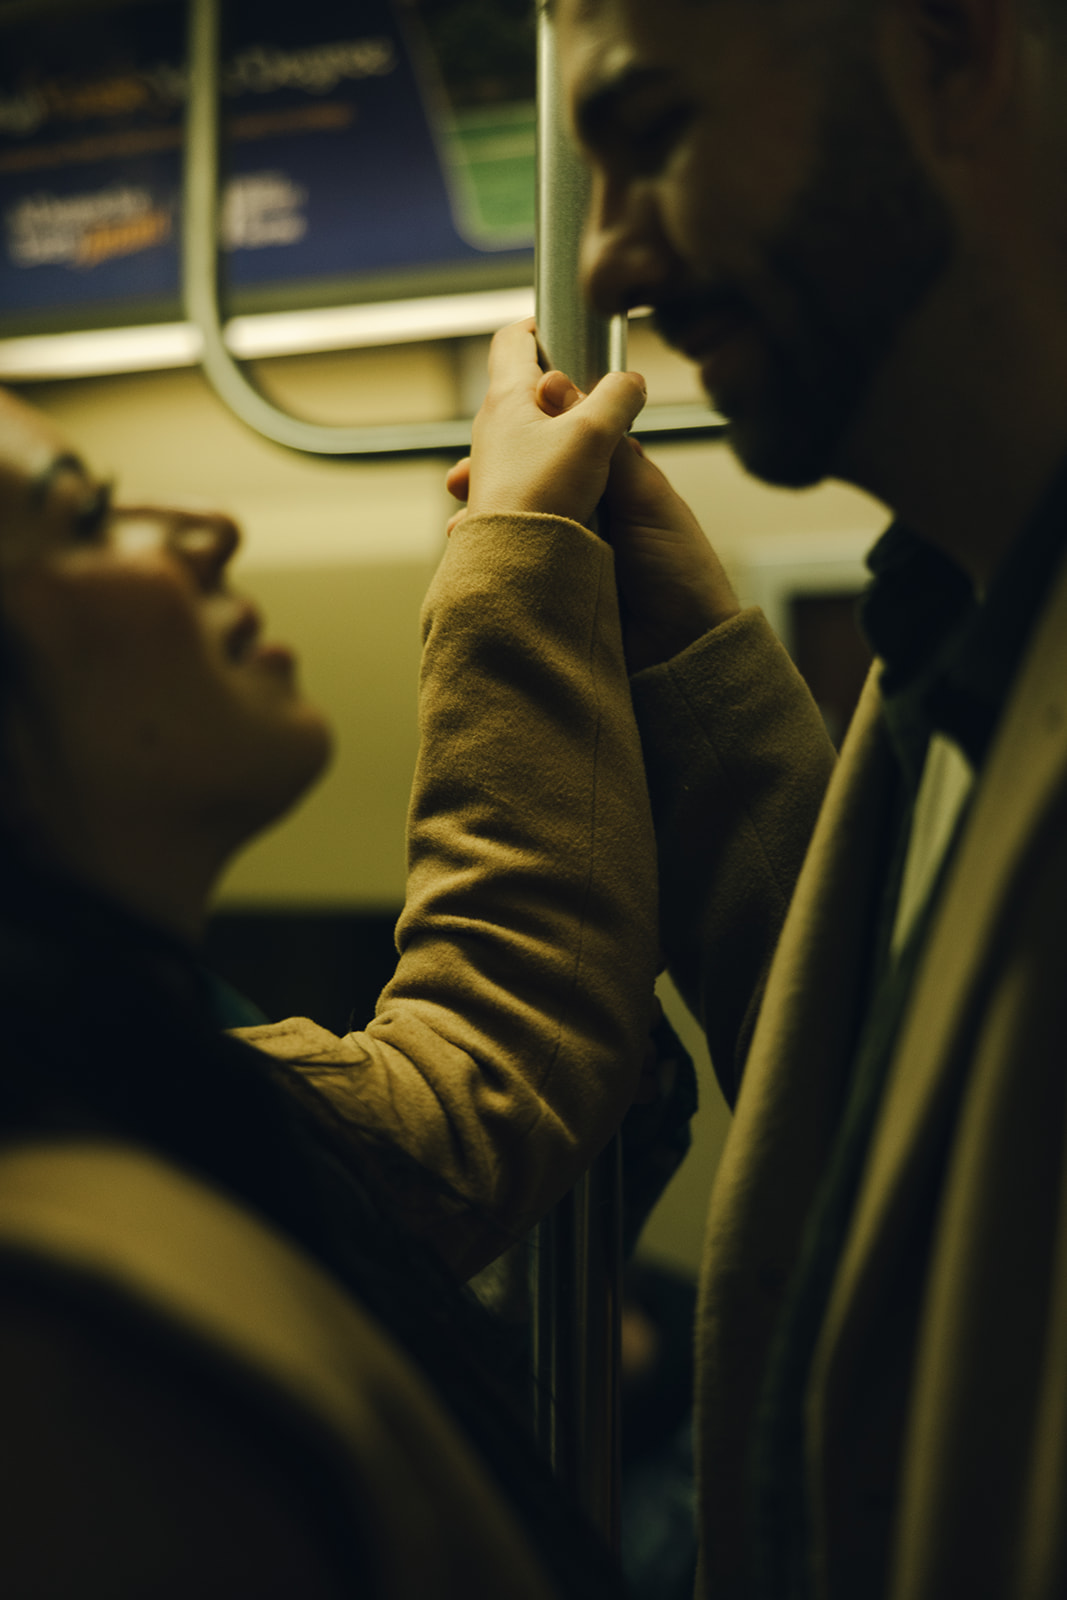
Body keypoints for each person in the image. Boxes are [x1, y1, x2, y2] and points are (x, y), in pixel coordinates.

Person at [446, 0, 1067, 1594]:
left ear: (951, 52)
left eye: (650, 133)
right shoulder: (957, 614)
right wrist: (699, 682)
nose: (600, 266)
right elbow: (915, 1091)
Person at [0, 362, 745, 1597]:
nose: (207, 527)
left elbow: (481, 1053)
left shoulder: (153, 1086)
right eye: (85, 514)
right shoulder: (61, 1329)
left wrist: (524, 551)